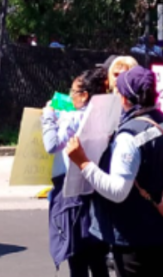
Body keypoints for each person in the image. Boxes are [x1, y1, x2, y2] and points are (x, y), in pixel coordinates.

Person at [65, 66, 163, 277]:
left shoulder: (129, 136)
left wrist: (83, 163)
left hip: (136, 239)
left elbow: (118, 191)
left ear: (124, 97)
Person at [42, 68, 111, 277]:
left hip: (72, 192)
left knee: (77, 255)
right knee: (97, 257)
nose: (69, 96)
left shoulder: (73, 120)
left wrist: (48, 118)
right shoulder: (105, 115)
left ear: (85, 95)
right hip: (96, 189)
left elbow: (51, 145)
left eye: (73, 92)